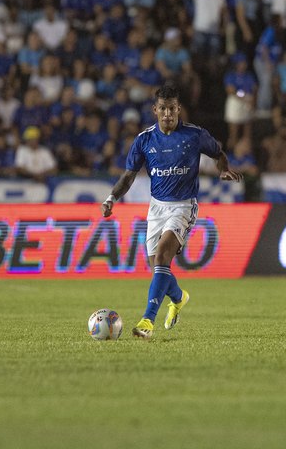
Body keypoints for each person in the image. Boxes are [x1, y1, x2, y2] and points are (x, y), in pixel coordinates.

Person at [100, 83, 242, 339]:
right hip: (156, 208)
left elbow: (218, 152)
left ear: (179, 109)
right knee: (157, 266)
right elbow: (128, 177)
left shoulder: (194, 135)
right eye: (163, 109)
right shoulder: (144, 140)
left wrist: (223, 168)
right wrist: (111, 198)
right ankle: (178, 297)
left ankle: (147, 321)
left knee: (163, 257)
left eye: (173, 109)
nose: (168, 114)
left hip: (183, 206)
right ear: (155, 110)